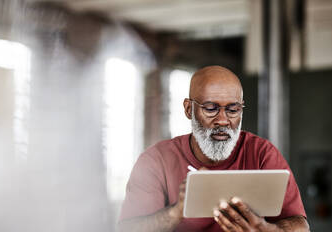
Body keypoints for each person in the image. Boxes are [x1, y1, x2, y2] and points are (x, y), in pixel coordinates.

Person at [117, 66, 309, 232]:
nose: (223, 121)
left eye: (233, 110)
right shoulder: (157, 160)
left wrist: (267, 230)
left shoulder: (261, 153)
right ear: (188, 109)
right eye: (211, 108)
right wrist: (177, 210)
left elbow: (301, 226)